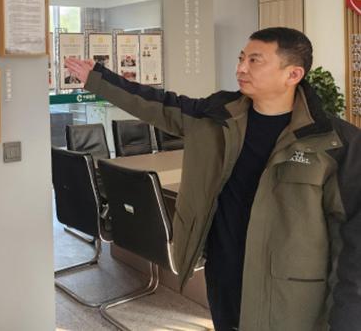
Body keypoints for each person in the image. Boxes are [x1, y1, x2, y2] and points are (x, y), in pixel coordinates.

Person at [64, 27, 361, 331]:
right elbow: (160, 105)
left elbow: (352, 241)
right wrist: (99, 79)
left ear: (293, 74)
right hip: (224, 276)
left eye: (255, 60)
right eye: (241, 58)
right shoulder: (218, 116)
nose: (241, 68)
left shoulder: (336, 143)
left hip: (291, 295)